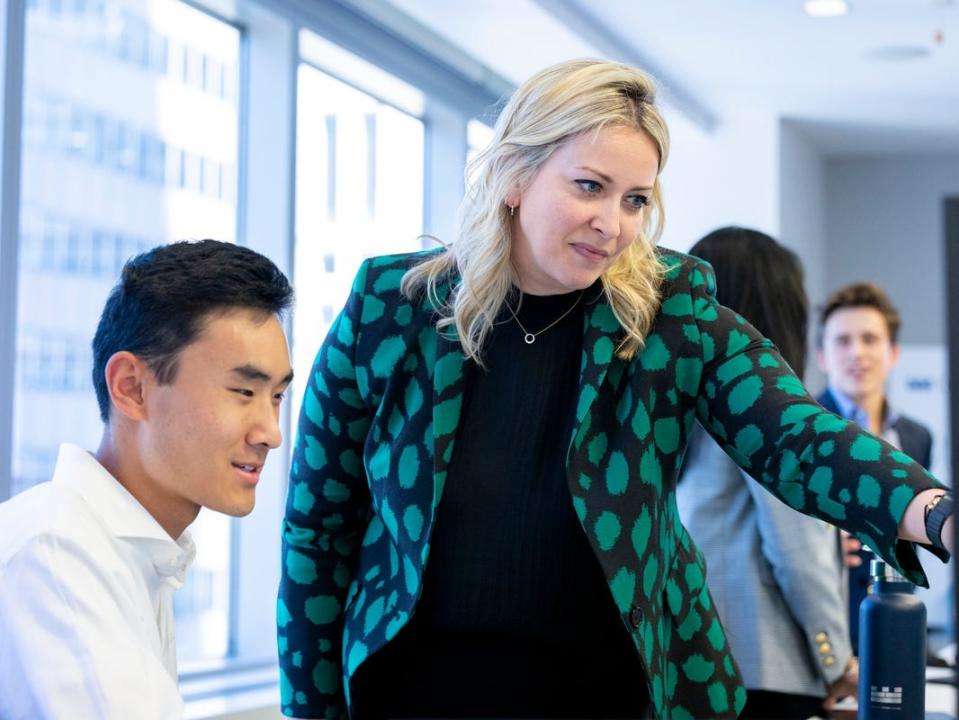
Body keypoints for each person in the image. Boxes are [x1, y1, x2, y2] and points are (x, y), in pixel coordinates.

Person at [277, 59, 952, 720]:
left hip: (604, 688)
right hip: (418, 689)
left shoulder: (668, 313)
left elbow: (793, 433)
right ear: (515, 175)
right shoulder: (390, 310)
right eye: (589, 186)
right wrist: (307, 709)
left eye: (634, 200)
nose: (614, 223)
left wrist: (931, 509)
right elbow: (318, 527)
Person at [0, 240, 294, 720]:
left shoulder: (135, 552)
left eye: (277, 396)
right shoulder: (54, 553)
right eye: (244, 391)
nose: (271, 433)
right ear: (132, 388)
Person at [676, 227, 855, 719]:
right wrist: (835, 659)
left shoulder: (682, 401)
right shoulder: (761, 404)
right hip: (766, 669)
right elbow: (796, 552)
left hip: (693, 660)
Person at [816, 282, 934, 652]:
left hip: (895, 621)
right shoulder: (800, 430)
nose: (858, 353)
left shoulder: (917, 437)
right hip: (820, 631)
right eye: (843, 340)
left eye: (870, 339)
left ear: (893, 352)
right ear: (822, 356)